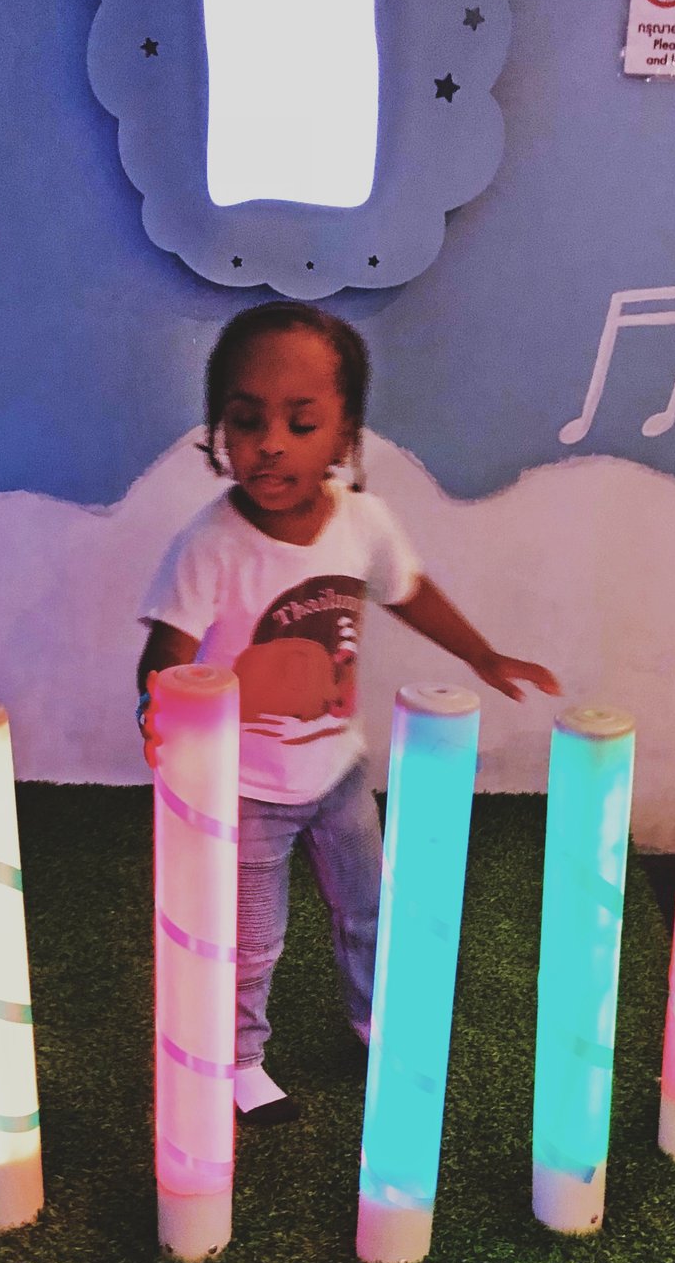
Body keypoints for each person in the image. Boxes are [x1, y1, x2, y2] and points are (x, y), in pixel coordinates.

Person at [136, 302, 559, 1124]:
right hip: (245, 790)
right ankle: (240, 1060)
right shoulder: (209, 544)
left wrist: (482, 655)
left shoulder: (363, 523)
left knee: (369, 910)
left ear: (345, 437)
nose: (271, 443)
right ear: (219, 430)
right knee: (250, 940)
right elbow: (166, 653)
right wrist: (160, 724)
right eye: (246, 420)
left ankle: (374, 1022)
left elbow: (408, 590)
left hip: (337, 773)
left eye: (301, 423)